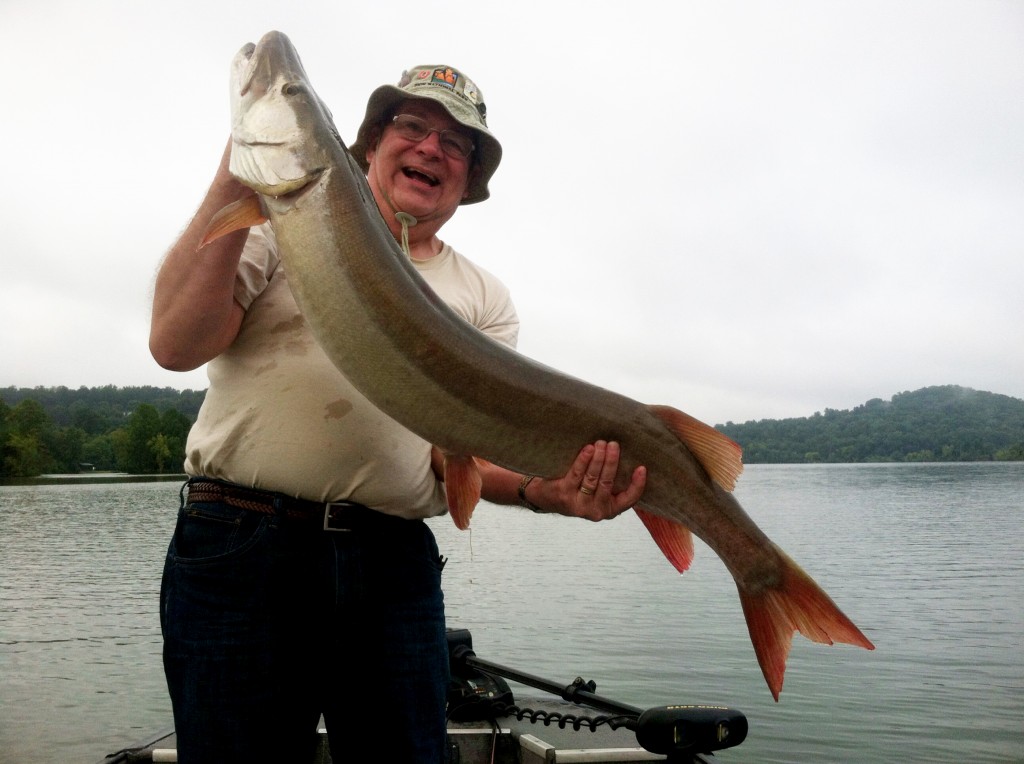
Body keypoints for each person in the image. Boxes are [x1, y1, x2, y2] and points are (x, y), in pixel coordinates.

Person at [150, 63, 647, 764]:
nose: (430, 148)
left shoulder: (483, 298)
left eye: (456, 144)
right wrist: (238, 180)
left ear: (468, 181)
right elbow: (174, 345)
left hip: (391, 566)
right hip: (242, 546)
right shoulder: (277, 226)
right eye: (412, 126)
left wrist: (547, 490)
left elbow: (460, 458)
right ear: (370, 146)